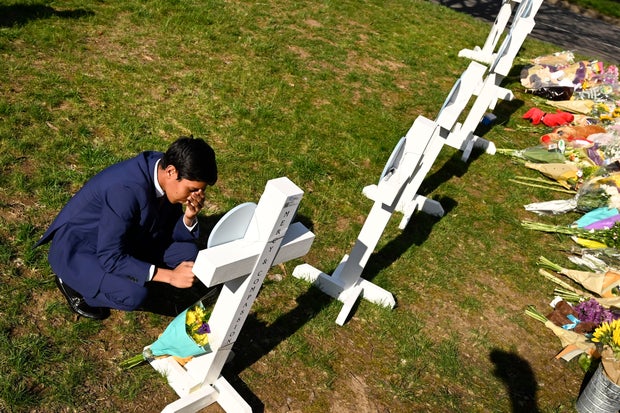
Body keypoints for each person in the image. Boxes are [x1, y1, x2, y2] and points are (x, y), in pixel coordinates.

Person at [36, 136, 217, 320]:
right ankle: (71, 282)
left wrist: (189, 216)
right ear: (171, 171)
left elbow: (167, 228)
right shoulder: (125, 190)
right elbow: (110, 256)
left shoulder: (164, 172)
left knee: (188, 252)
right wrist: (170, 276)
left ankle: (138, 271)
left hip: (129, 236)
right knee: (133, 295)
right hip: (84, 248)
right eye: (193, 189)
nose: (195, 197)